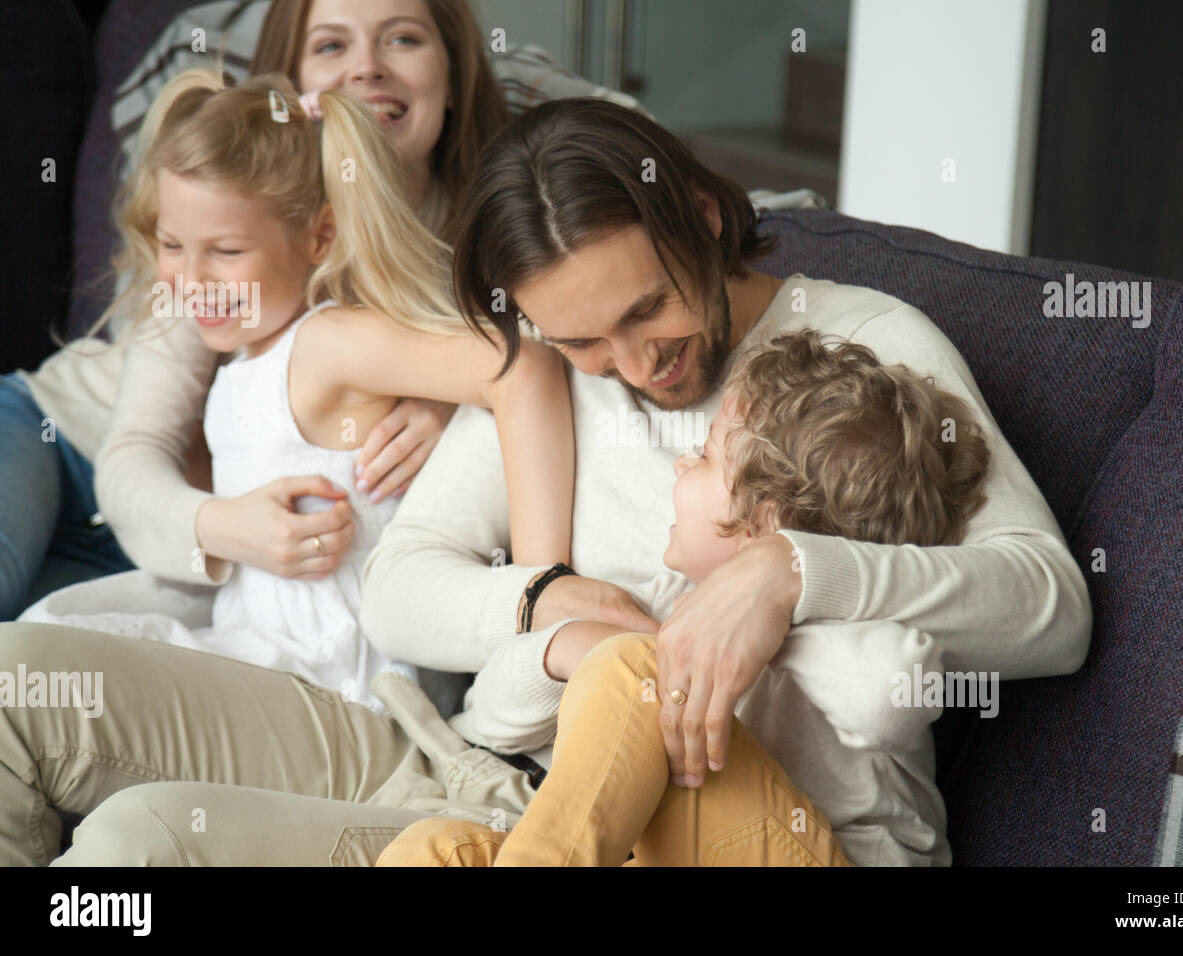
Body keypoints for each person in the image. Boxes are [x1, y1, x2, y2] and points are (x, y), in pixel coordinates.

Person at [0, 98, 1088, 867]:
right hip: (460, 757)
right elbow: (401, 586)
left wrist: (786, 571)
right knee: (14, 681)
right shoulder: (553, 360)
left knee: (138, 846)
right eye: (581, 341)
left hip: (641, 824)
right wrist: (543, 605)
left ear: (703, 220)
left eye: (646, 310)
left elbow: (1050, 605)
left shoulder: (865, 347)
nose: (633, 366)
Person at [1, 0, 639, 619]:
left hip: (197, 567)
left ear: (455, 77)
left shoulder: (499, 231)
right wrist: (223, 525)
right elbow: (132, 453)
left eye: (403, 39)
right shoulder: (234, 206)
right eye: (331, 45)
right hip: (66, 442)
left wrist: (457, 402)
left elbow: (634, 164)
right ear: (295, 84)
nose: (366, 68)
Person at [377, 329, 990, 865]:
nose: (680, 466)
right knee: (431, 851)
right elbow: (492, 718)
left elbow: (890, 692)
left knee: (634, 674)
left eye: (703, 456)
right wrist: (563, 650)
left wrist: (777, 627)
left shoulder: (846, 621)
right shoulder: (672, 598)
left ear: (766, 522)